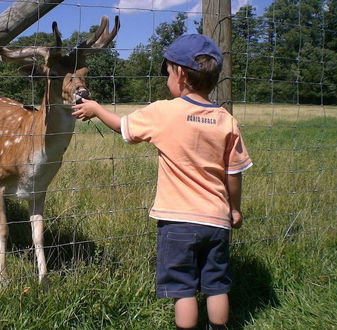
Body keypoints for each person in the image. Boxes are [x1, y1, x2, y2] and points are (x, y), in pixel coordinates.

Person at [72, 34, 253, 329]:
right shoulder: (226, 120)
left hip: (176, 221)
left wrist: (96, 109)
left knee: (182, 290)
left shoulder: (163, 112)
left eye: (168, 72)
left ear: (180, 74)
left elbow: (123, 127)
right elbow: (234, 173)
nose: (167, 79)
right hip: (217, 221)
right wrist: (235, 209)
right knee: (217, 284)